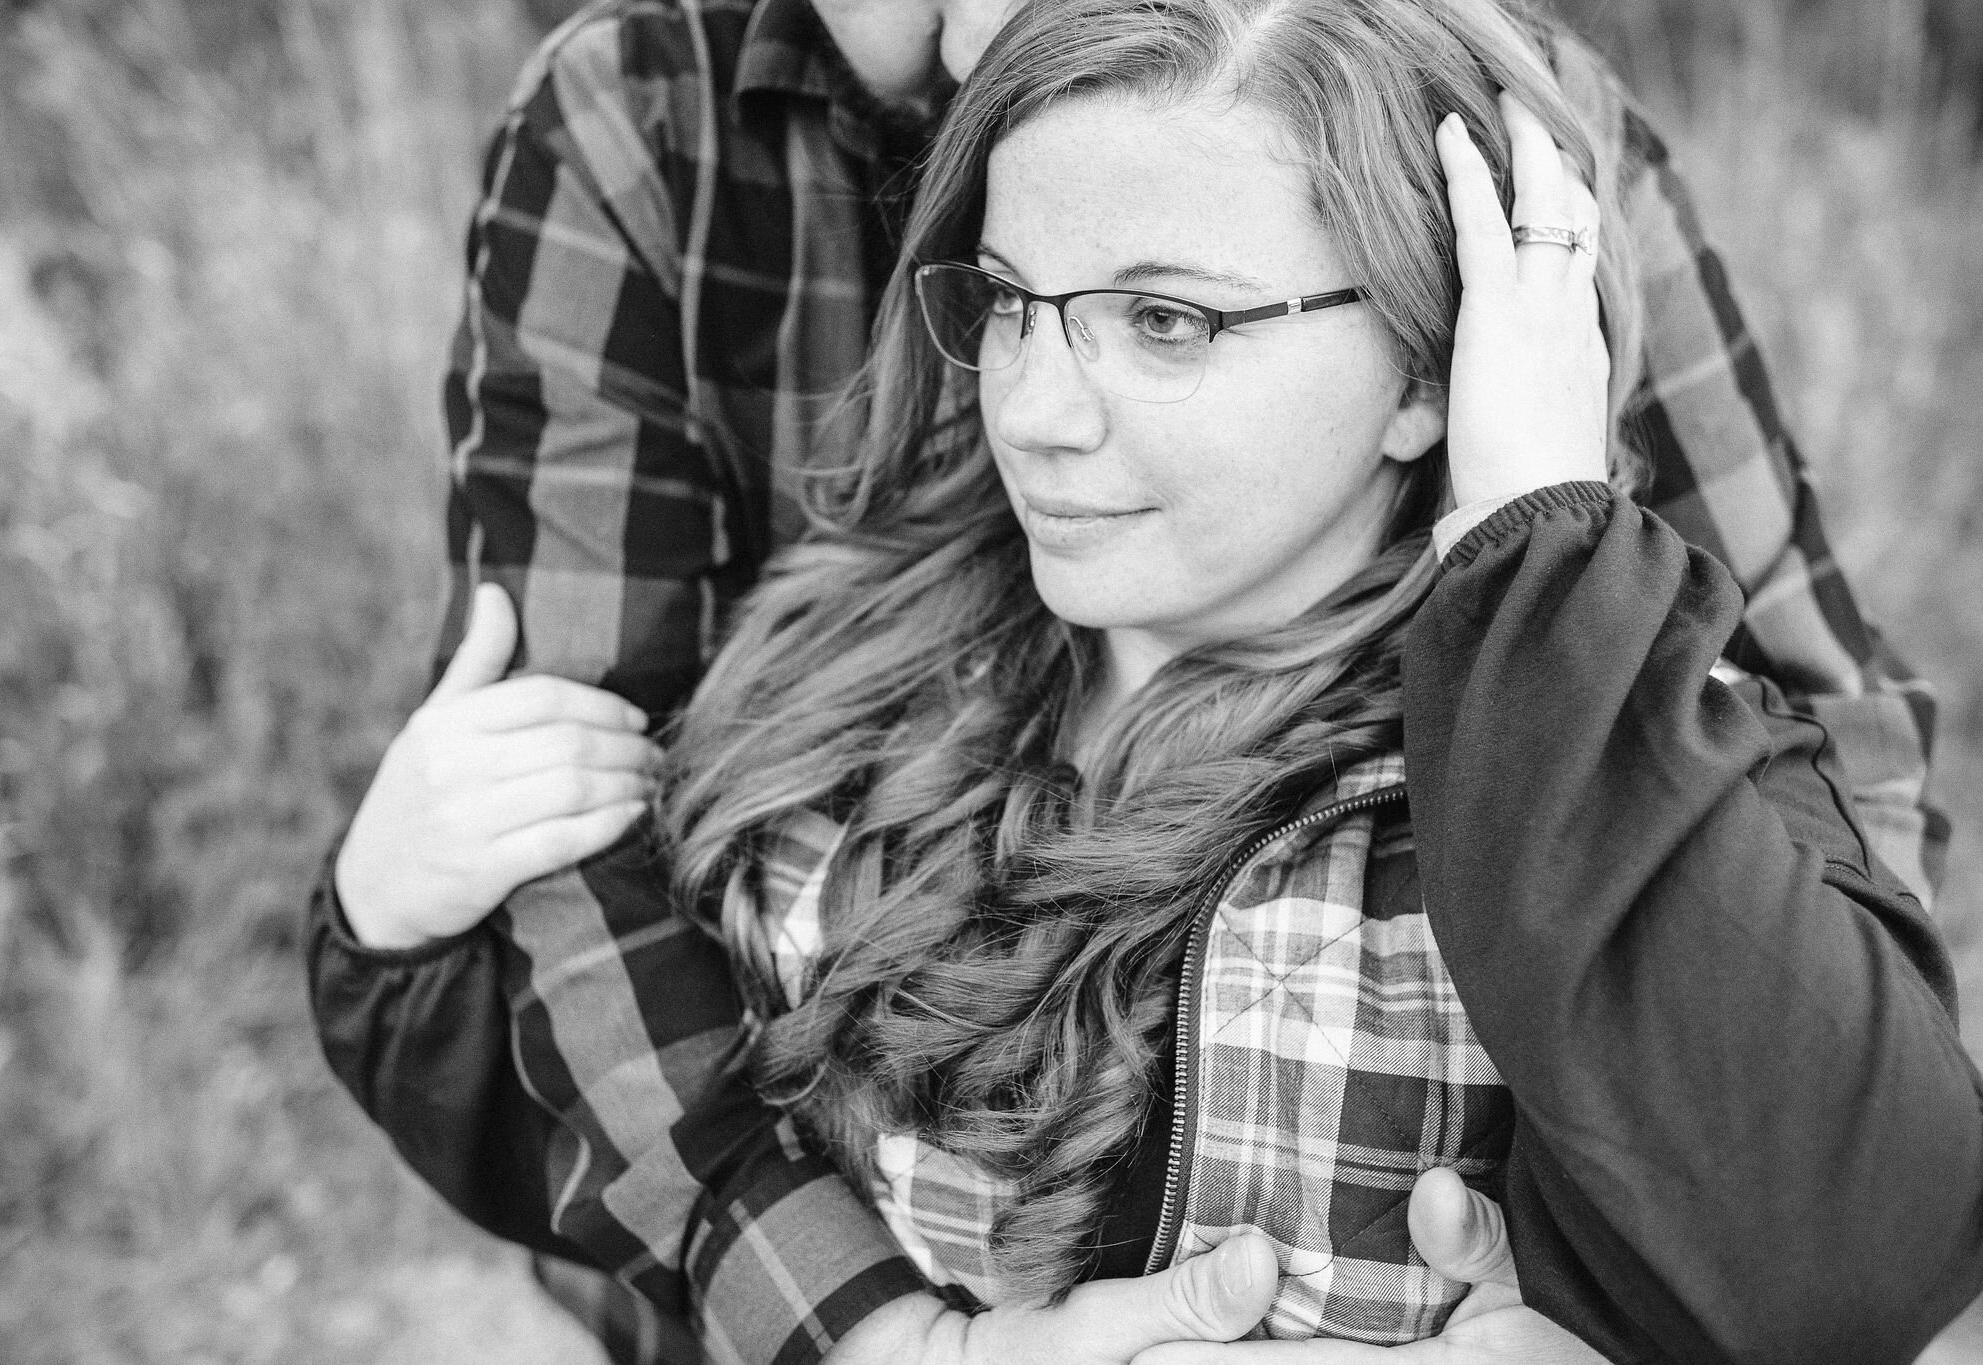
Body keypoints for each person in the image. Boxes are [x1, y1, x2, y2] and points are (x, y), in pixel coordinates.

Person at [306, 0, 1957, 1361]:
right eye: (1004, 304)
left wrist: (1630, 1301)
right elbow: (593, 1006)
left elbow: (1834, 1157)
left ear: (1437, 359)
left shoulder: (1535, 793)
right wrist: (391, 954)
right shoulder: (841, 700)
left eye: (1168, 320)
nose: (1031, 410)